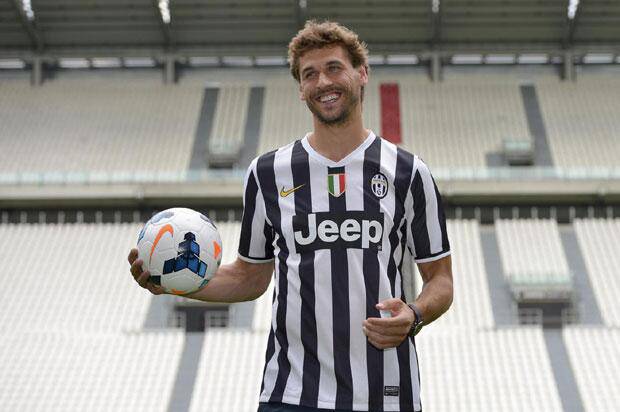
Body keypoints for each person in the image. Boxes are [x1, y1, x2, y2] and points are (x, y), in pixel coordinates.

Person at [128, 20, 453, 412]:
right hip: (291, 393)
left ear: (362, 73)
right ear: (301, 88)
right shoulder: (267, 173)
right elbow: (248, 277)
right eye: (309, 74)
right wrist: (174, 281)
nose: (323, 82)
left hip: (386, 393)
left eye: (334, 68)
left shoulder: (408, 172)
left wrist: (414, 314)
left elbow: (441, 280)